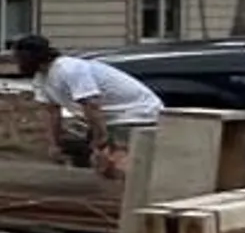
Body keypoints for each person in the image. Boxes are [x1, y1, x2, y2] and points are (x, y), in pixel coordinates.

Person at [9, 33, 165, 177]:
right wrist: (54, 144)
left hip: (136, 113)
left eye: (18, 58)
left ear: (31, 57)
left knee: (115, 161)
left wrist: (100, 138)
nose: (16, 62)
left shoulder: (69, 69)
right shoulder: (41, 79)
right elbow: (51, 113)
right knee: (98, 161)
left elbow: (91, 104)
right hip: (111, 117)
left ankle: (131, 191)